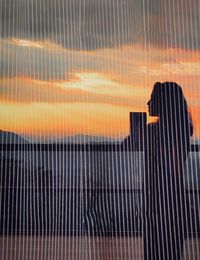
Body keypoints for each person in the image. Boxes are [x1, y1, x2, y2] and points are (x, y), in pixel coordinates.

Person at [144, 82, 193, 260]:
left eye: (153, 98)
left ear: (165, 102)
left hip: (166, 202)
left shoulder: (175, 131)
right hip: (166, 201)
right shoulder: (176, 129)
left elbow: (174, 167)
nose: (148, 103)